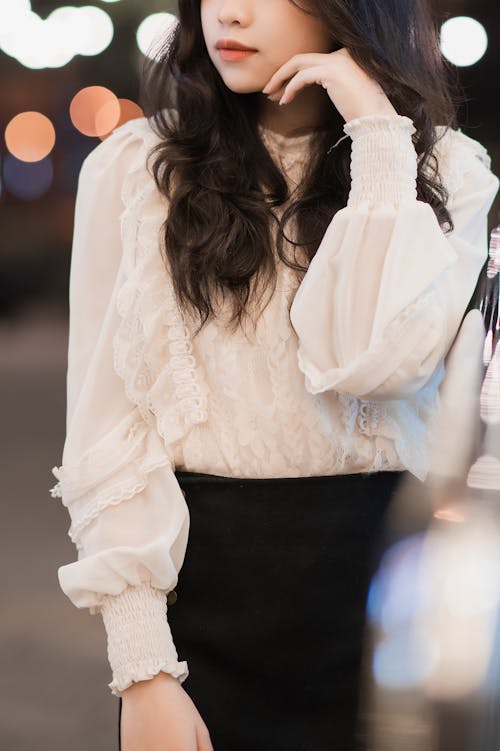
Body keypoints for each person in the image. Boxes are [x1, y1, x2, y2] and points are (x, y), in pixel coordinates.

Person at [49, 0, 499, 749]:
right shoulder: (135, 169)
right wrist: (144, 670)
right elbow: (110, 429)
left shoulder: (448, 169)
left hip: (385, 612)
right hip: (204, 625)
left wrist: (376, 131)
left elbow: (368, 359)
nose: (230, 10)